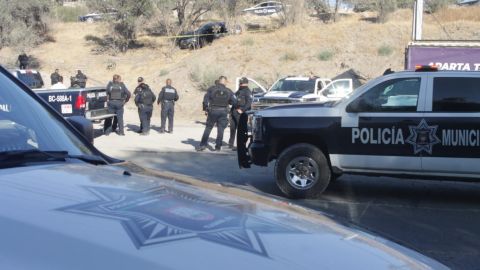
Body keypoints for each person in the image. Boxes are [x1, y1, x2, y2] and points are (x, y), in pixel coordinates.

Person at [196, 76, 236, 152]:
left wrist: (205, 109)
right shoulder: (229, 91)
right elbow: (234, 102)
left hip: (213, 110)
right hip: (223, 111)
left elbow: (205, 100)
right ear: (225, 82)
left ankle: (202, 145)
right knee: (221, 129)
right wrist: (229, 103)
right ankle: (218, 147)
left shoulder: (212, 89)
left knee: (208, 128)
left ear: (219, 81)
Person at [228, 77, 252, 150]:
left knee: (241, 130)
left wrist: (242, 110)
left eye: (242, 83)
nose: (240, 84)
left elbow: (249, 103)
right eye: (240, 83)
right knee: (232, 128)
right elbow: (233, 99)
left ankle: (241, 145)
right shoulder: (238, 91)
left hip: (241, 112)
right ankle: (231, 144)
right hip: (234, 111)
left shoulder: (247, 91)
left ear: (246, 83)